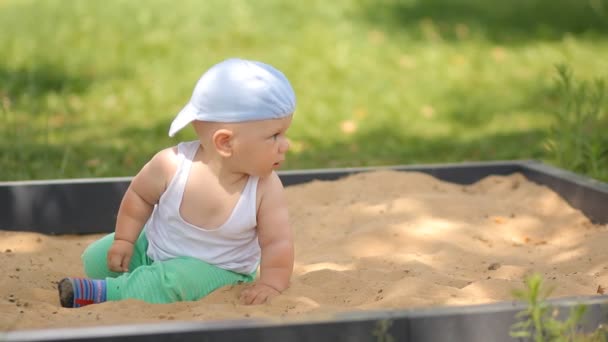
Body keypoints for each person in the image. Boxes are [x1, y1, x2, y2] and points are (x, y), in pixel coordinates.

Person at [57, 58, 296, 308]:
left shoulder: (264, 189)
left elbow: (276, 242)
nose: (286, 144)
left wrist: (270, 283)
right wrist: (125, 240)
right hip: (156, 249)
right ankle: (136, 283)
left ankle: (109, 294)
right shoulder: (172, 164)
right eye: (275, 136)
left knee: (174, 282)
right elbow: (139, 196)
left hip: (217, 271)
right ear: (225, 143)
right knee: (97, 259)